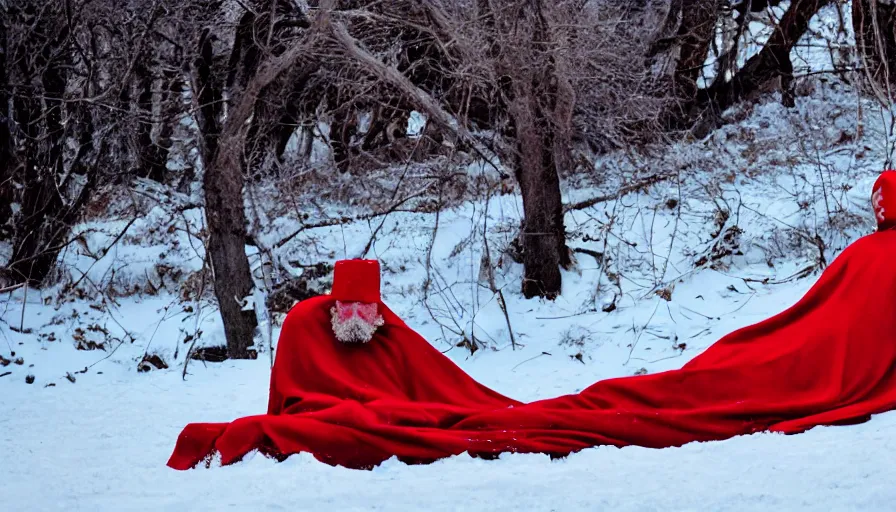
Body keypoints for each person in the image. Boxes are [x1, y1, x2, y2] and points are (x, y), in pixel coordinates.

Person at [168, 170, 896, 470]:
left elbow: (819, 320)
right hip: (811, 366)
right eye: (349, 307)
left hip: (801, 360)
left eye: (369, 307)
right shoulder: (307, 325)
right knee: (721, 373)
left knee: (725, 370)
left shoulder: (871, 257)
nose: (359, 319)